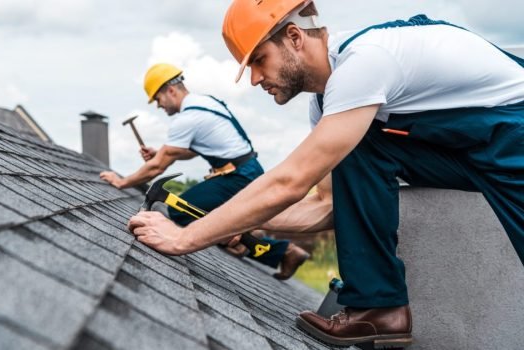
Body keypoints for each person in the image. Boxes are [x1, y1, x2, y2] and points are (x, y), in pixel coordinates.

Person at [128, 0, 524, 347]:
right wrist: (230, 226)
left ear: (295, 37)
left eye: (259, 60)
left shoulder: (366, 62)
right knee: (361, 145)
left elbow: (290, 181)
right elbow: (327, 205)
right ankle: (379, 308)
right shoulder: (330, 106)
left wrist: (185, 238)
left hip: (514, 134)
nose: (253, 79)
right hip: (472, 151)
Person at [100, 63, 309, 280]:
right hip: (244, 171)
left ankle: (261, 245)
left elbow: (157, 167)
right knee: (208, 216)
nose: (158, 106)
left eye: (158, 99)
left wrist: (122, 182)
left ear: (170, 90)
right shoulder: (206, 103)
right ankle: (263, 244)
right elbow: (189, 152)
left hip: (237, 176)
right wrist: (160, 152)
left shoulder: (188, 117)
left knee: (180, 211)